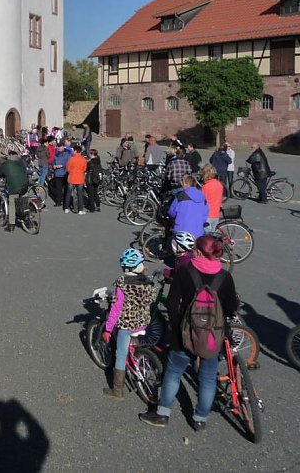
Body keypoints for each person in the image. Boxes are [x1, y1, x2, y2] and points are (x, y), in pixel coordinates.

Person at [140, 234, 238, 430]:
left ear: (199, 251)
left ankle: (163, 414)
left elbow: (172, 304)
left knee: (174, 372)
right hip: (213, 334)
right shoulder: (224, 276)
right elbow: (231, 307)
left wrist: (178, 328)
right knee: (208, 378)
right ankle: (200, 418)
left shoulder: (186, 271)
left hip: (185, 332)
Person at [102, 249, 158, 400]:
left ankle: (117, 391)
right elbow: (152, 299)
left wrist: (108, 329)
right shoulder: (149, 282)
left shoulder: (123, 284)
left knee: (120, 355)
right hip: (143, 322)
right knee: (131, 344)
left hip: (127, 325)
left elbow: (115, 309)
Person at [0, 149, 30, 231]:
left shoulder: (6, 164)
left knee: (12, 203)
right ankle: (26, 218)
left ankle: (11, 225)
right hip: (25, 183)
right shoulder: (20, 162)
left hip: (14, 186)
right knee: (24, 200)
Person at [168, 175, 209, 239]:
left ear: (186, 183)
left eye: (182, 182)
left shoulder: (180, 196)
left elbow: (171, 212)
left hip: (182, 232)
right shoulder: (202, 196)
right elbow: (206, 213)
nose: (181, 183)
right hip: (198, 232)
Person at [64, 143, 87, 214]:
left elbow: (67, 168)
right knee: (80, 194)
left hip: (71, 177)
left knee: (68, 193)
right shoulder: (83, 159)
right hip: (80, 178)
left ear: (76, 151)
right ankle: (80, 210)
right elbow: (84, 169)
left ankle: (66, 208)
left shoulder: (71, 159)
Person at [201, 165, 224, 233]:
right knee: (212, 235)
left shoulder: (206, 187)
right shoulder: (219, 184)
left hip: (207, 214)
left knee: (206, 236)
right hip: (216, 214)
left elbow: (202, 201)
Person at [50, 142, 72, 208]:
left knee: (66, 188)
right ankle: (58, 201)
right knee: (58, 188)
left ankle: (66, 200)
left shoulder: (68, 154)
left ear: (63, 147)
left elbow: (69, 163)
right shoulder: (56, 154)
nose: (59, 148)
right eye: (58, 147)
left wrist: (62, 165)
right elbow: (53, 162)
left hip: (65, 173)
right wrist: (53, 165)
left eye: (60, 147)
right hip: (57, 173)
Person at [86, 149, 102, 213]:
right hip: (97, 179)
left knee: (90, 194)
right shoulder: (98, 160)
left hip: (90, 179)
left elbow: (87, 169)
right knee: (95, 193)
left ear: (92, 154)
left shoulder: (90, 162)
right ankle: (98, 206)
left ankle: (92, 208)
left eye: (90, 153)